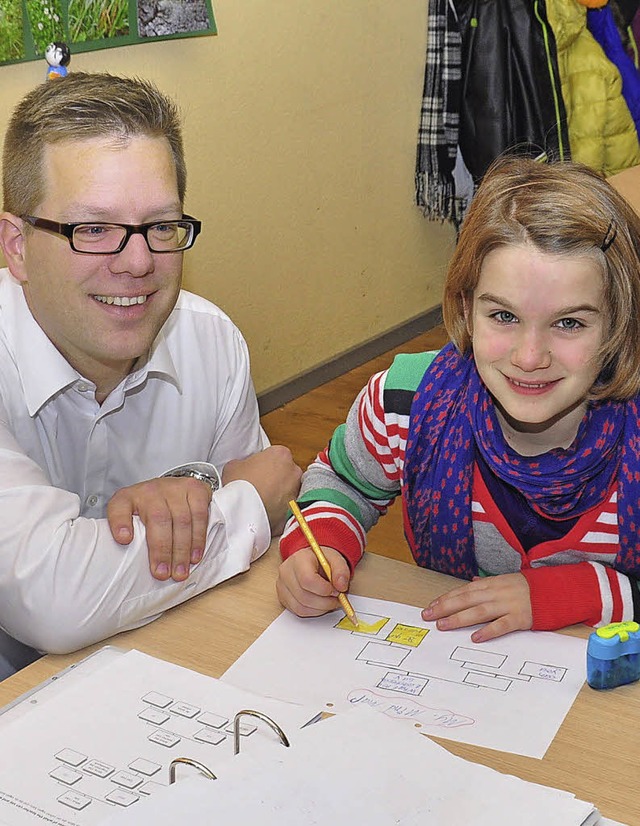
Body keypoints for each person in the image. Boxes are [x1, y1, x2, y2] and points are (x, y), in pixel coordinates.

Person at [0, 72, 302, 679]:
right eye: (93, 229)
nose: (138, 262)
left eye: (161, 226)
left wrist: (198, 488)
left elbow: (261, 560)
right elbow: (53, 604)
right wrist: (241, 506)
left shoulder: (211, 342)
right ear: (17, 246)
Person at [277, 156, 640, 643]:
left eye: (570, 323)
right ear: (466, 308)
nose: (529, 357)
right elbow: (345, 483)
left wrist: (585, 592)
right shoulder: (405, 401)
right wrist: (318, 546)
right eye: (503, 317)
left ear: (618, 324)